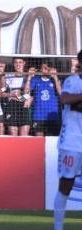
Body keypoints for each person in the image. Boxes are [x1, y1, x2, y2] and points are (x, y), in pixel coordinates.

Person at [54, 49, 82, 230]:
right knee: (66, 185)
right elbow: (64, 99)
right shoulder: (73, 81)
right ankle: (58, 227)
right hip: (72, 142)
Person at [23, 61, 62, 136]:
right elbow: (25, 91)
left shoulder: (54, 79)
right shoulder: (36, 79)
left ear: (49, 69)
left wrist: (55, 77)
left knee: (50, 140)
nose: (42, 70)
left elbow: (61, 93)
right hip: (38, 115)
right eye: (41, 68)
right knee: (39, 140)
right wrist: (30, 76)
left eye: (45, 68)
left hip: (51, 116)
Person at [0, 58, 32, 136]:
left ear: (24, 63)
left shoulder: (28, 75)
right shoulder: (9, 76)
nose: (18, 65)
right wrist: (12, 95)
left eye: (20, 62)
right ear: (13, 64)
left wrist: (29, 98)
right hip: (12, 106)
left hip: (24, 106)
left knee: (24, 135)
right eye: (16, 62)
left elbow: (33, 93)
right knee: (13, 135)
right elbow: (1, 90)